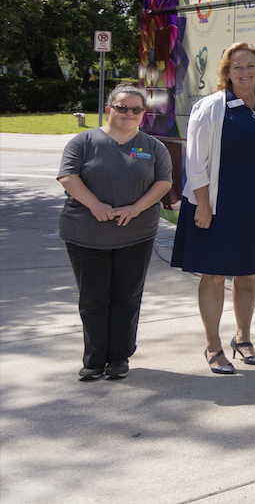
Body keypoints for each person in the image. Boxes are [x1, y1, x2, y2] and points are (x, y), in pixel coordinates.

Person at [171, 44, 255, 375]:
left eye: (251, 66)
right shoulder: (210, 107)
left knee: (248, 274)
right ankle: (213, 345)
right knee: (214, 274)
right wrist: (203, 204)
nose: (245, 72)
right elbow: (195, 161)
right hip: (218, 205)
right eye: (237, 67)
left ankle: (243, 339)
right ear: (227, 72)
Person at [60, 84, 172, 381]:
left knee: (127, 297)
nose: (129, 113)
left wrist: (136, 207)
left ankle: (119, 357)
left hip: (136, 236)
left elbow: (164, 182)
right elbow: (68, 176)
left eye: (136, 109)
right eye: (122, 108)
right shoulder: (84, 141)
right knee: (93, 299)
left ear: (143, 114)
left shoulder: (153, 147)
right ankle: (95, 359)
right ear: (109, 109)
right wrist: (94, 205)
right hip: (86, 235)